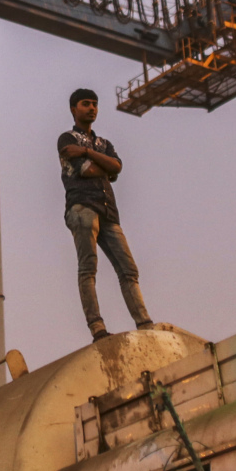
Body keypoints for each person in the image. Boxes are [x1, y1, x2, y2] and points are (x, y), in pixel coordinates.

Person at [58, 88, 156, 340]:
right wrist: (107, 169)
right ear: (73, 109)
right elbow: (90, 171)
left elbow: (118, 166)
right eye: (86, 104)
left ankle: (145, 323)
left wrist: (90, 153)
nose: (92, 108)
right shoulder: (66, 139)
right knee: (88, 267)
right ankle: (97, 327)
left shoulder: (103, 143)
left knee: (129, 270)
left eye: (95, 104)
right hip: (82, 207)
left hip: (108, 212)